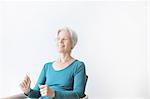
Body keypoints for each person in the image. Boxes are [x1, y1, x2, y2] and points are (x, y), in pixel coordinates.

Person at [20, 27, 87, 99]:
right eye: (58, 39)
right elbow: (37, 94)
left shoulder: (78, 66)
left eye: (64, 39)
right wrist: (28, 91)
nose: (60, 41)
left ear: (72, 43)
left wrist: (54, 94)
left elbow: (79, 94)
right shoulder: (47, 66)